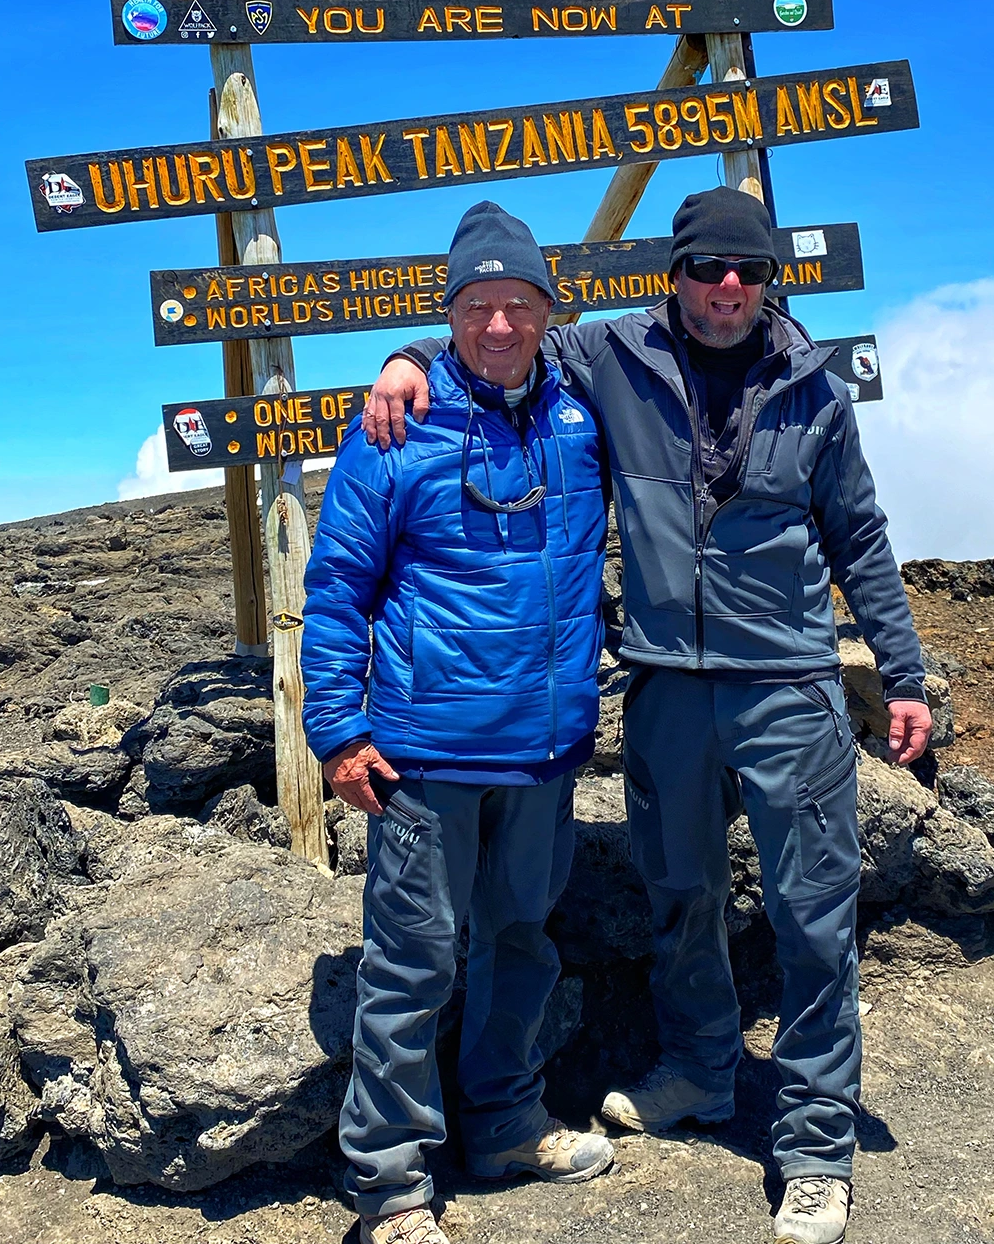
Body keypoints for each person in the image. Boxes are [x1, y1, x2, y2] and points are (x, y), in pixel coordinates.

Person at [366, 185, 933, 1244]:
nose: (728, 288)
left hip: (789, 687)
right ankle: (700, 1070)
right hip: (667, 683)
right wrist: (405, 356)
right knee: (681, 895)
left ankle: (813, 1148)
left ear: (772, 280)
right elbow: (499, 335)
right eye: (708, 268)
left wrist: (901, 674)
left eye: (748, 271)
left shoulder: (814, 387)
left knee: (813, 919)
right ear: (672, 273)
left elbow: (859, 534)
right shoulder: (609, 357)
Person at [302, 201, 615, 1244]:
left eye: (517, 302)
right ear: (449, 315)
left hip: (544, 752)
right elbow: (339, 583)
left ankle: (504, 1122)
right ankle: (391, 1188)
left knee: (522, 943)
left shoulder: (582, 417)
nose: (497, 323)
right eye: (475, 304)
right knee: (412, 965)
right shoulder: (397, 422)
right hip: (426, 753)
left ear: (546, 311)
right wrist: (338, 733)